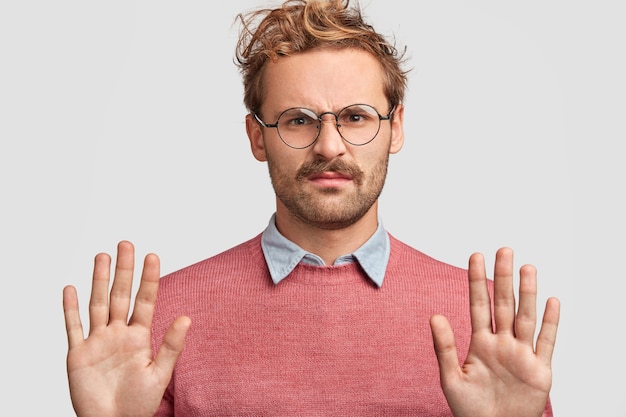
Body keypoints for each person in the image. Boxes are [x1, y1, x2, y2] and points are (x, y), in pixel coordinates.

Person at [62, 0, 560, 416]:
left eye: (355, 117)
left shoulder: (488, 325)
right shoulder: (158, 323)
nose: (329, 146)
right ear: (258, 136)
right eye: (298, 120)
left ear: (396, 127)